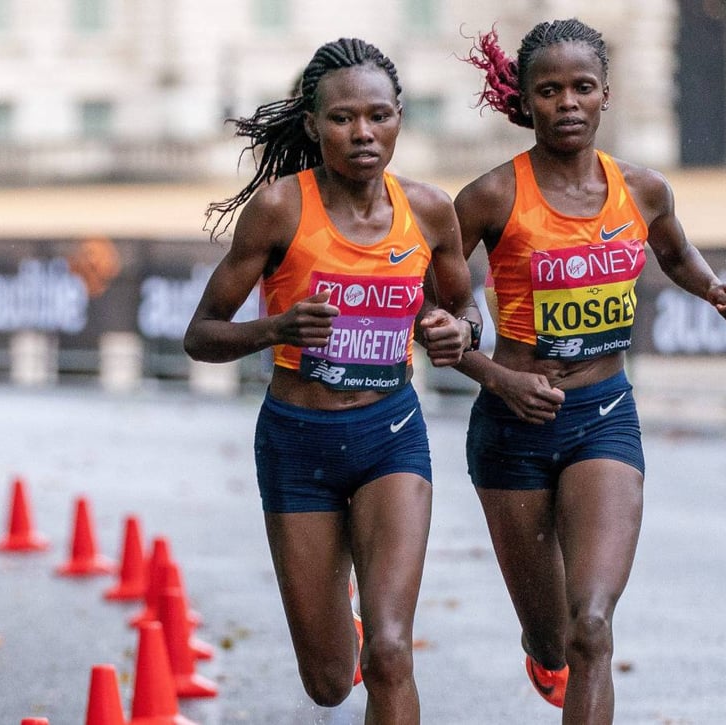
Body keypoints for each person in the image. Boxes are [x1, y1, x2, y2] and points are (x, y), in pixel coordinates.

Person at [453, 19, 726, 723]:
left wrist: (714, 289)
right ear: (525, 102)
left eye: (581, 87)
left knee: (592, 626)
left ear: (605, 96)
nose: (567, 103)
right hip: (512, 428)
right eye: (549, 90)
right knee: (554, 636)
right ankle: (541, 649)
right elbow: (433, 300)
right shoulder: (491, 197)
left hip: (603, 418)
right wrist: (493, 370)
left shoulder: (642, 190)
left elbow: (676, 254)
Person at [185, 37, 481, 723]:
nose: (363, 133)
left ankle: (375, 626)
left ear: (401, 116)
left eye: (378, 116)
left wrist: (460, 331)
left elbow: (467, 309)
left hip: (390, 436)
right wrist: (277, 329)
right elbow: (201, 335)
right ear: (314, 125)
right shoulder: (280, 209)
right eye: (343, 118)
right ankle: (337, 619)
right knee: (329, 680)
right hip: (299, 443)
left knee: (390, 651)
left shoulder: (432, 211)